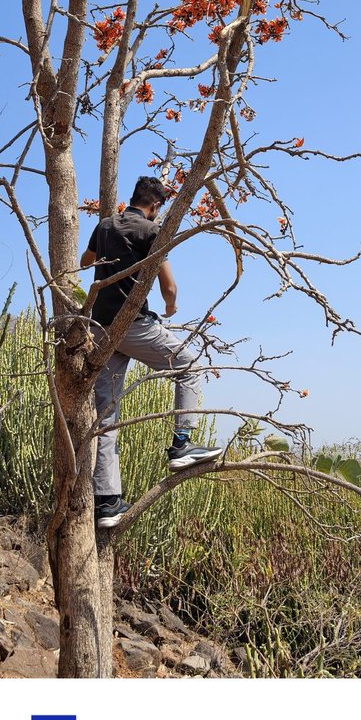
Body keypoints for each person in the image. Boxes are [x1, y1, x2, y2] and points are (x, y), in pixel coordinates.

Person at [81, 176, 223, 528]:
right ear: (156, 206)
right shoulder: (150, 230)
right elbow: (169, 286)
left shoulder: (104, 224)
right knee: (188, 366)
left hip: (100, 329)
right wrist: (171, 307)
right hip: (132, 325)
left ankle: (108, 503)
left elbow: (86, 262)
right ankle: (182, 445)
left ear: (134, 198)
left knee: (106, 416)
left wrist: (110, 254)